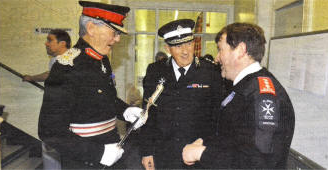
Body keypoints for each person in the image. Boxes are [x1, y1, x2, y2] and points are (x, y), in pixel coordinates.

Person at [38, 1, 147, 169]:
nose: (117, 39)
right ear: (91, 28)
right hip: (84, 160)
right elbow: (49, 131)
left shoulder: (101, 59)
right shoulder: (66, 67)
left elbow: (104, 97)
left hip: (113, 148)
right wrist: (98, 153)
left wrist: (125, 110)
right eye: (114, 32)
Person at [182, 23, 295, 169]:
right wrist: (205, 142)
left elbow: (258, 163)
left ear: (241, 50)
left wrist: (202, 153)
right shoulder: (243, 87)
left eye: (220, 50)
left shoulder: (262, 96)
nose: (217, 58)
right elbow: (233, 136)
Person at [139, 19, 223, 169]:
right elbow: (147, 114)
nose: (185, 51)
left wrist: (206, 143)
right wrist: (146, 152)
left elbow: (218, 116)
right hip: (164, 153)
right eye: (178, 46)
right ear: (167, 48)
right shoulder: (155, 71)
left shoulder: (210, 71)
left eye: (189, 44)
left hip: (198, 154)